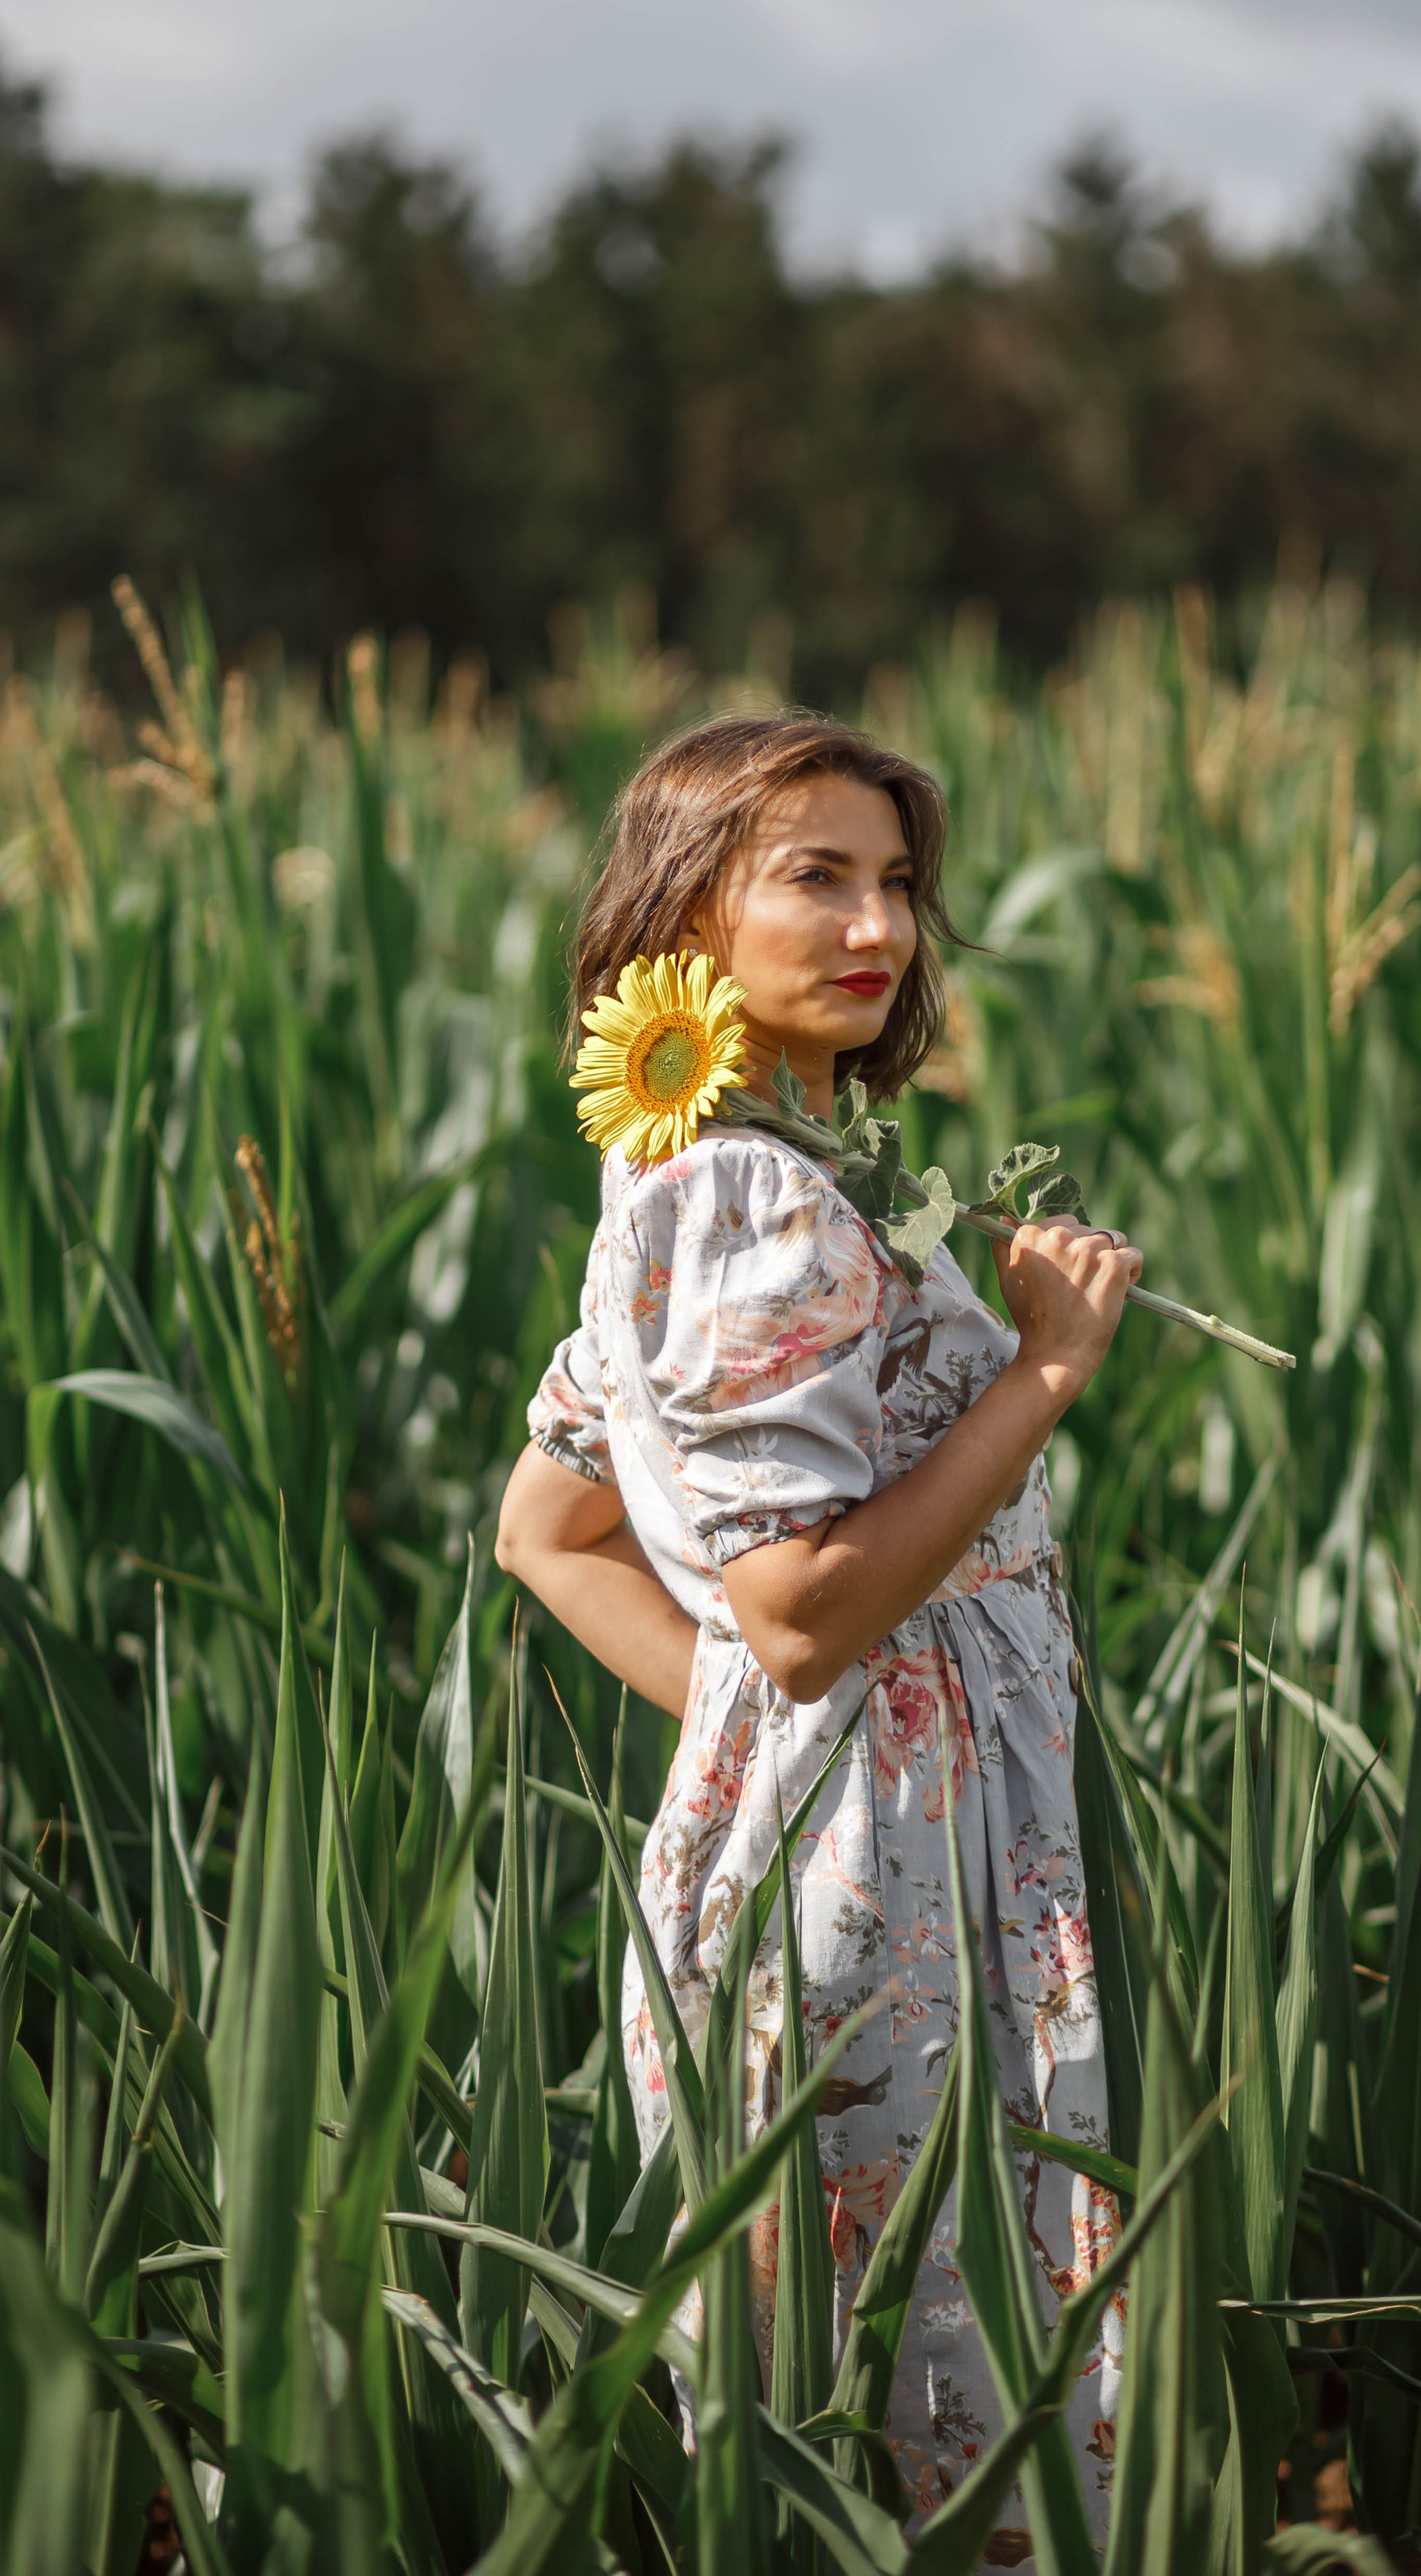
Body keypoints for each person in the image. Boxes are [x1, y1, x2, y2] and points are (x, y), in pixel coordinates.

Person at [495, 713, 1142, 2552]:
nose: (879, 925)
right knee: (933, 2398)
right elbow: (791, 1616)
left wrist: (761, 1750)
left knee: (847, 2372)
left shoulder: (705, 1170)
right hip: (885, 1884)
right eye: (816, 876)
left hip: (862, 1823)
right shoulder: (752, 1197)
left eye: (897, 882)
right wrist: (1044, 1371)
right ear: (680, 909)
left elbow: (546, 1526)